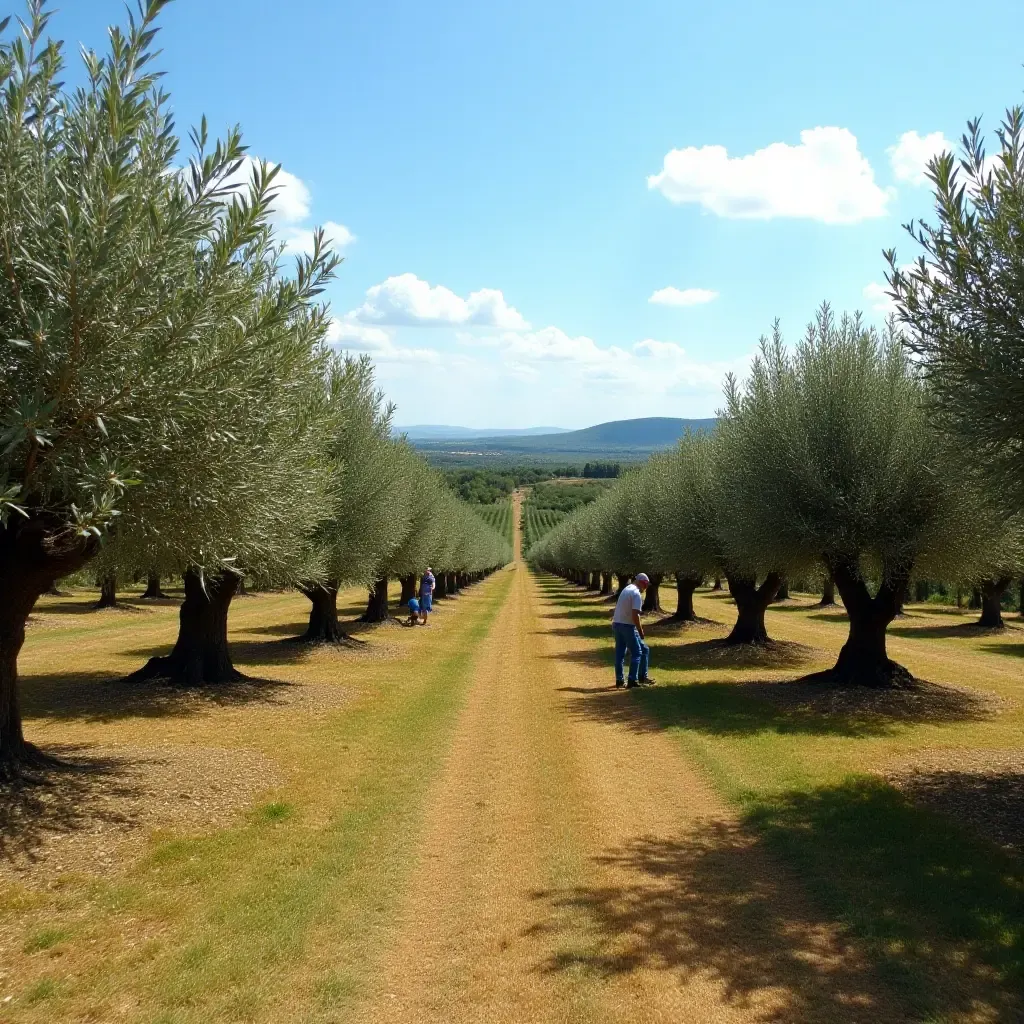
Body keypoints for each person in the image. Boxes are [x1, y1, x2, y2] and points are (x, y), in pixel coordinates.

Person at [611, 573, 655, 688]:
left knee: (621, 653)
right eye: (645, 585)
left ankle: (620, 680)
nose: (645, 588)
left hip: (617, 624)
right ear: (641, 582)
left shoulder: (627, 589)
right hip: (627, 626)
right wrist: (640, 630)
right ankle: (632, 680)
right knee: (637, 652)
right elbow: (635, 615)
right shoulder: (636, 594)